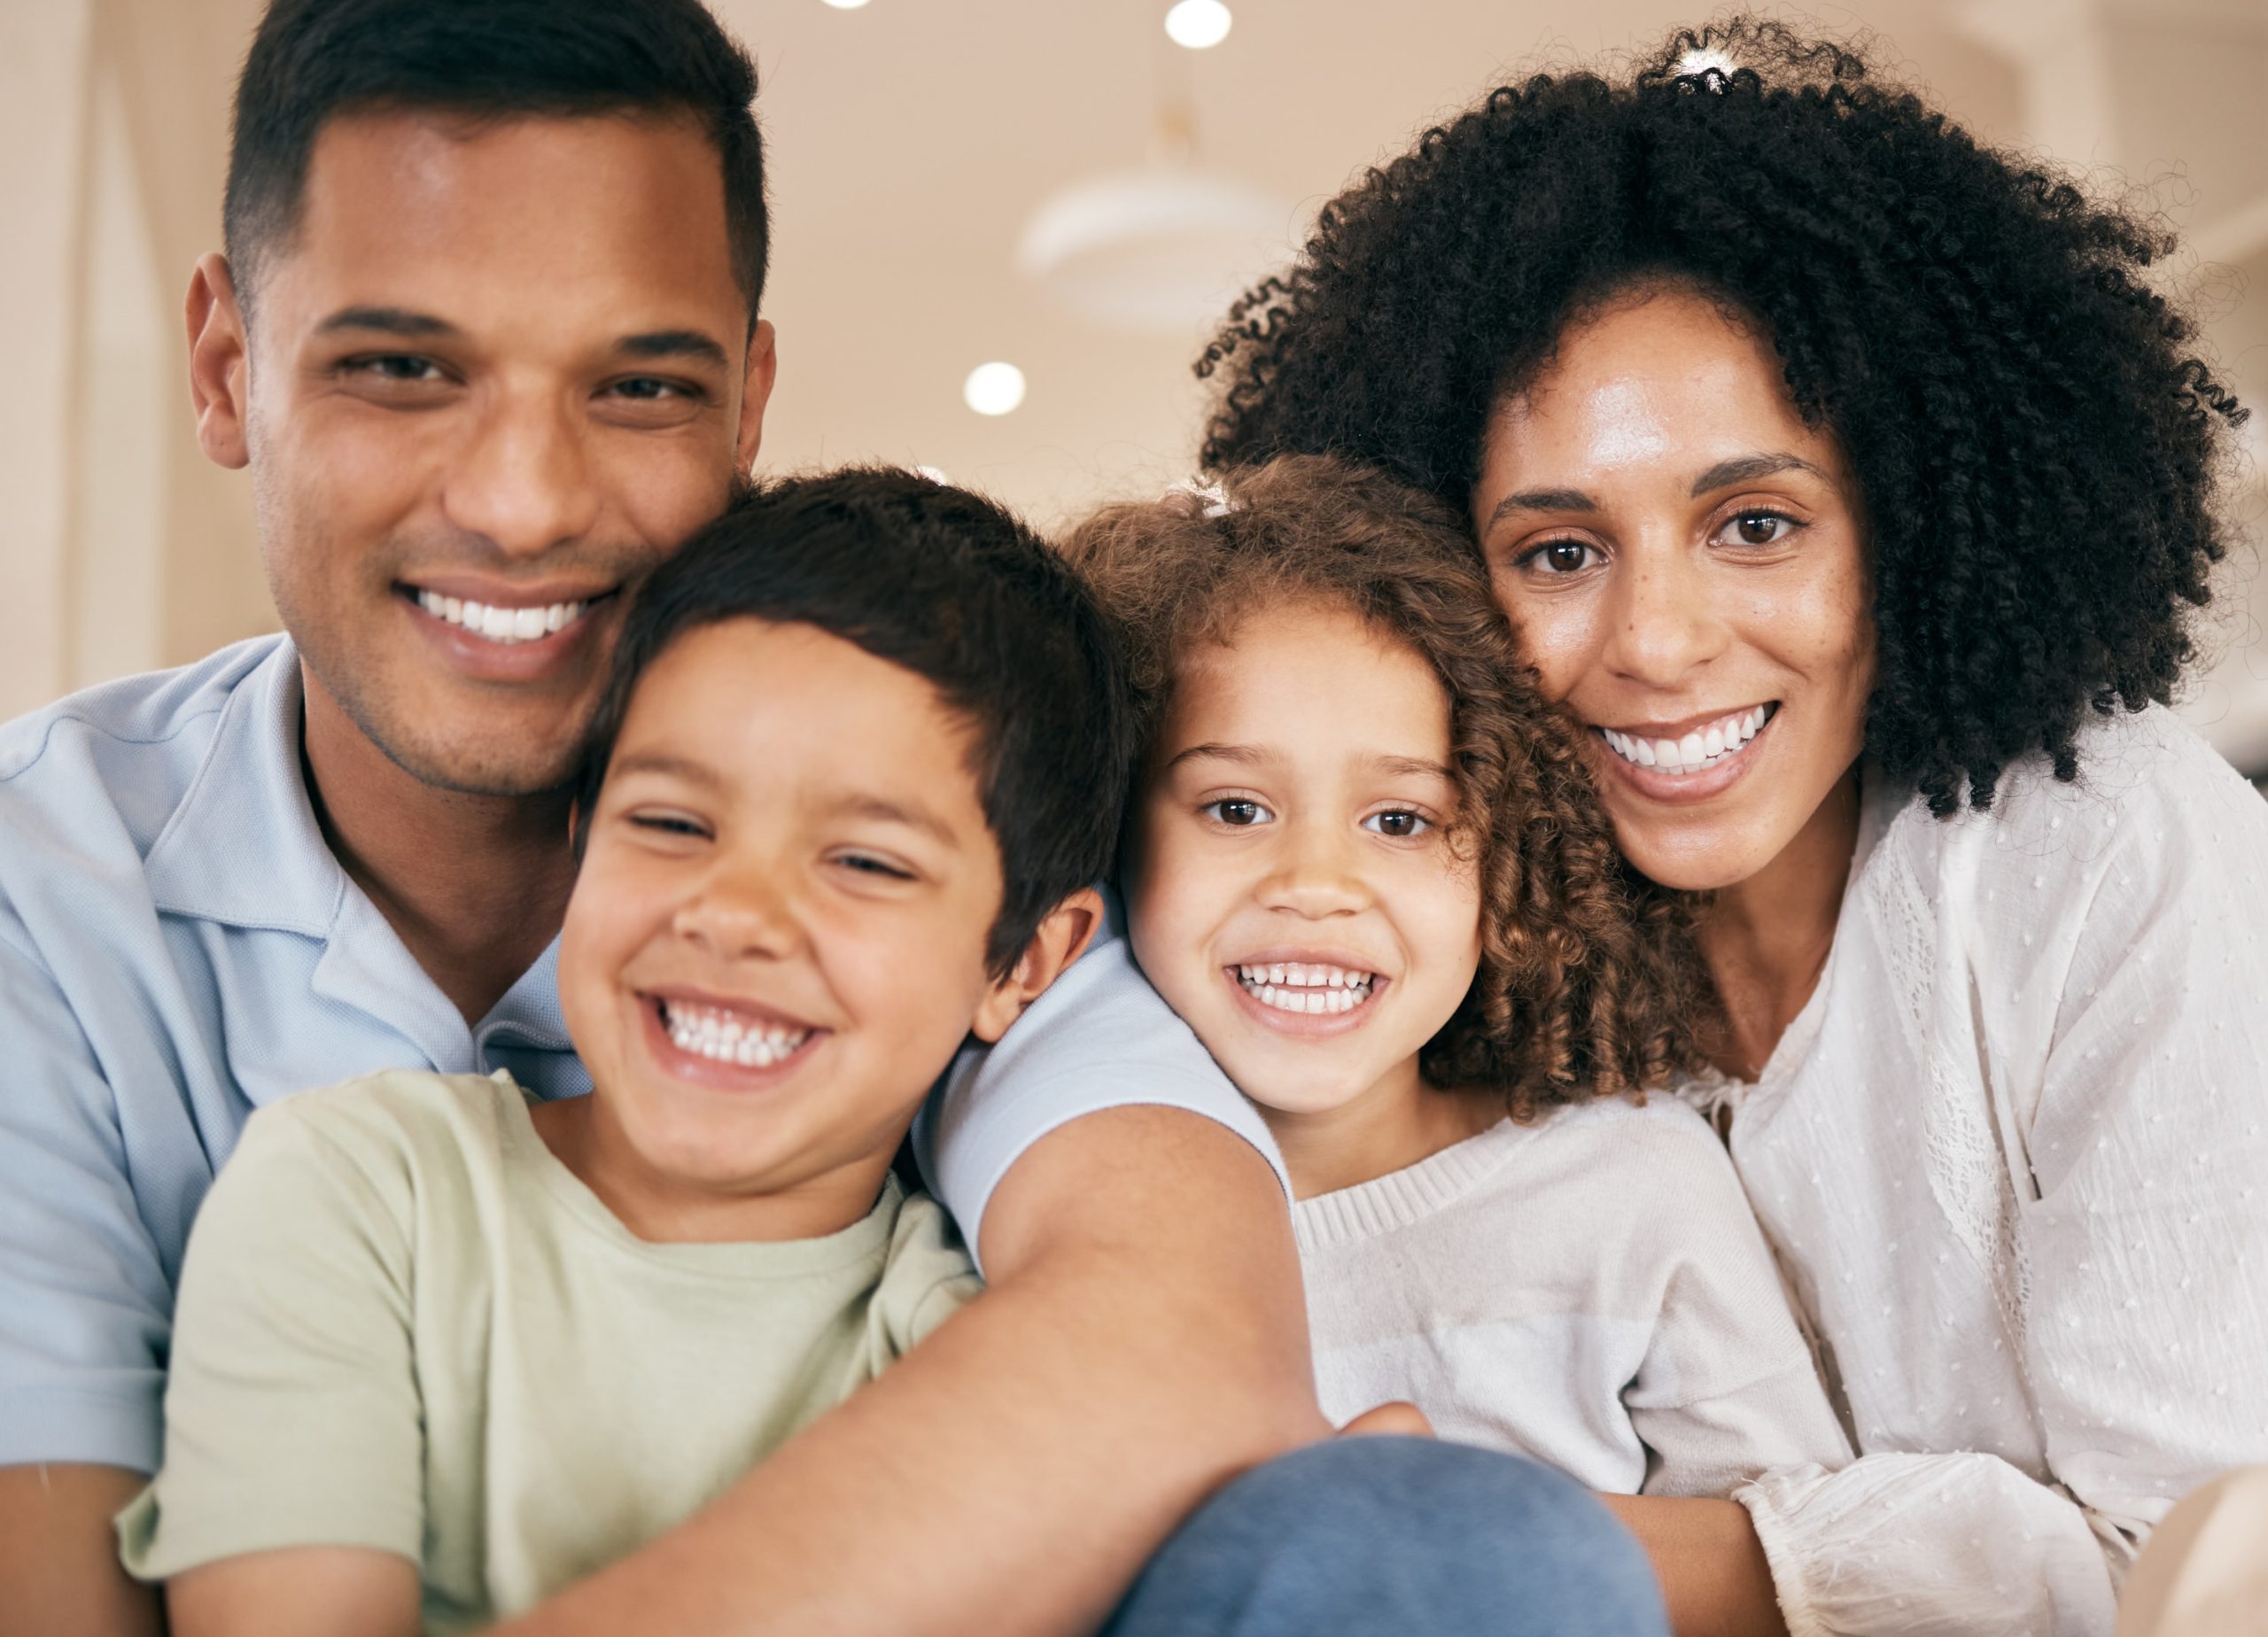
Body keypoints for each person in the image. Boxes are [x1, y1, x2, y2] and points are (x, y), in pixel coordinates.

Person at [0, 3, 1666, 1633]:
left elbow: (1177, 1343)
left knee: (1446, 1543)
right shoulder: (54, 895)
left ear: (745, 403)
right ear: (228, 371)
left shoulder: (962, 853)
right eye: (400, 367)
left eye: (638, 388)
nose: (519, 501)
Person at [1197, 18, 2268, 1637]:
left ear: (1911, 520)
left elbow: (2192, 1554)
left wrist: (1495, 1544)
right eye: (1558, 551)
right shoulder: (1428, 948)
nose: (1661, 641)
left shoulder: (2107, 848)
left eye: (1754, 524)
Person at [116, 469, 1124, 1631]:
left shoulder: (972, 1350)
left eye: (866, 863)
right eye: (673, 824)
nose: (734, 914)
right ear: (584, 839)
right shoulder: (362, 1191)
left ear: (1025, 965)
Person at [1070, 454, 1852, 1497]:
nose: (1316, 884)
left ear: (1510, 858)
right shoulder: (1047, 1224)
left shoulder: (1628, 1192)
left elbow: (1799, 1558)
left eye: (1400, 820)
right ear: (1110, 834)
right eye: (1235, 809)